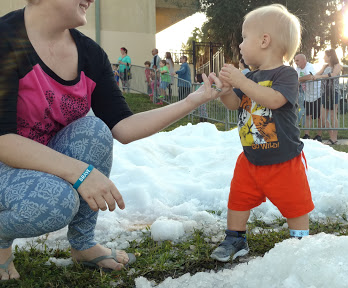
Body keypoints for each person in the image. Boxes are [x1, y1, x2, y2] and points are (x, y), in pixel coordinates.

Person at [0, 1, 224, 280]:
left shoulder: (90, 54)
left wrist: (193, 100)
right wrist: (81, 173)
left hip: (44, 161)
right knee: (57, 203)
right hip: (4, 163)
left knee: (95, 131)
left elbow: (123, 127)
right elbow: (4, 141)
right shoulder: (5, 40)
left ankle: (82, 244)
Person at [211, 4, 314, 262]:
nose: (241, 45)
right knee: (238, 198)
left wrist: (242, 81)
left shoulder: (286, 73)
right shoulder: (249, 76)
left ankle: (300, 240)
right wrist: (224, 91)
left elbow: (275, 100)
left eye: (244, 38)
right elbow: (235, 104)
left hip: (284, 159)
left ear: (264, 40)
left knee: (295, 203)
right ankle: (235, 237)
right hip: (251, 158)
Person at [313, 49, 342, 145]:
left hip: (334, 92)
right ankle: (331, 137)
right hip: (325, 93)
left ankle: (334, 138)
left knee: (333, 116)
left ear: (330, 56)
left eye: (325, 56)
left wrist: (320, 77)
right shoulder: (324, 66)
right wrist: (315, 76)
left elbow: (333, 75)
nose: (323, 58)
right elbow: (317, 74)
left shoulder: (337, 65)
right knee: (322, 117)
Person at [294, 53, 322, 142]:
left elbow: (310, 76)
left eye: (297, 60)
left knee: (319, 117)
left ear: (304, 60)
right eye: (295, 60)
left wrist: (299, 79)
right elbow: (296, 77)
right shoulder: (297, 69)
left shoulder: (309, 66)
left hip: (317, 94)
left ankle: (319, 136)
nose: (296, 62)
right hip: (307, 95)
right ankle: (306, 135)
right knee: (307, 116)